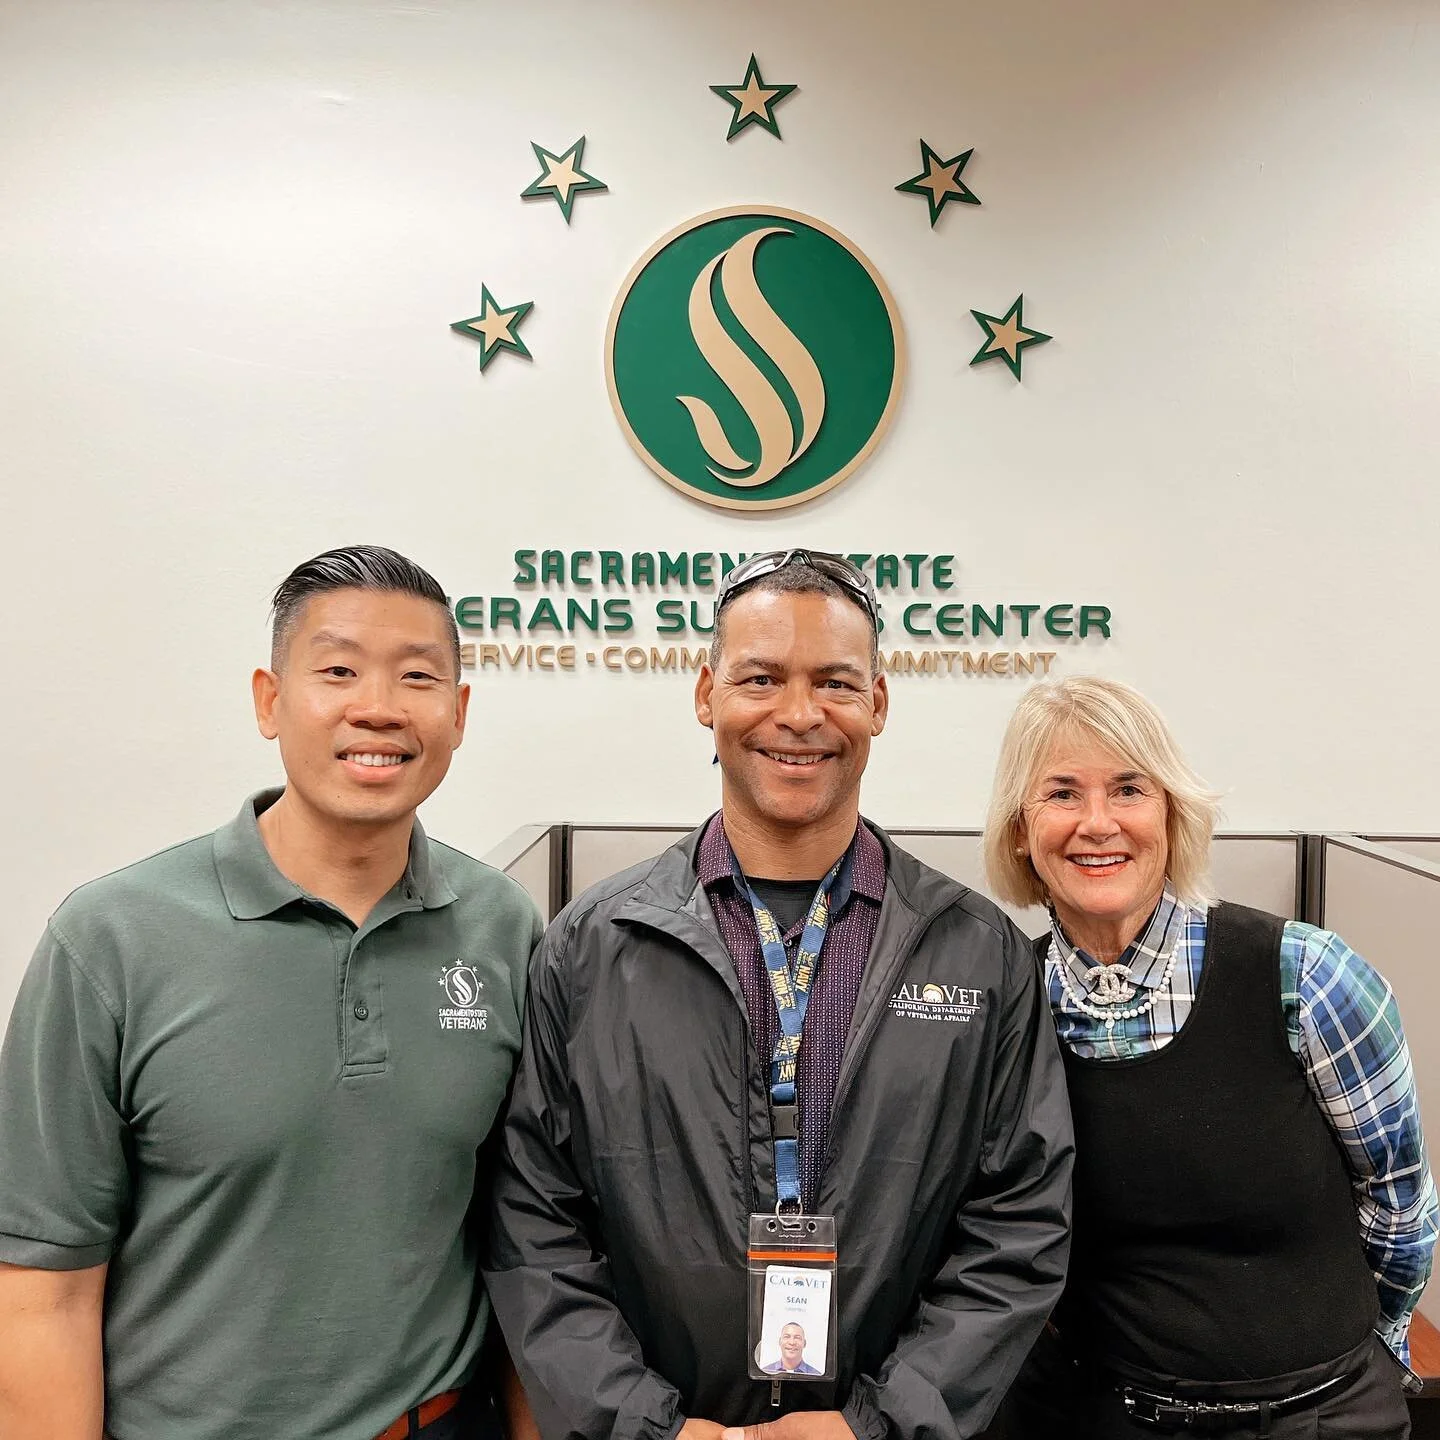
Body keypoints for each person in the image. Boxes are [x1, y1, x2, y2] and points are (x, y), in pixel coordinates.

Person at [485, 548, 1073, 1440]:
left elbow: (1019, 1227)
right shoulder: (592, 946)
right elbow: (535, 1222)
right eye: (761, 678)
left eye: (835, 683)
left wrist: (872, 1428)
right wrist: (647, 1427)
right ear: (706, 695)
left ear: (878, 702)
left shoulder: (977, 953)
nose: (799, 715)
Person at [0, 545, 543, 1440]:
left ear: (459, 712)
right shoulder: (111, 938)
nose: (378, 707)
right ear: (269, 700)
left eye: (417, 677)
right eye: (337, 670)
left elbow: (521, 1238)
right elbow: (42, 1292)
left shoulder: (504, 929)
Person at [981, 676, 1439, 1439]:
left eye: (1129, 788)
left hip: (1318, 1418)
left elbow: (1400, 1204)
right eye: (1061, 793)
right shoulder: (1007, 1004)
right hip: (1101, 1415)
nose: (1098, 823)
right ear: (1021, 830)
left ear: (1171, 813)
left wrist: (1365, 1356)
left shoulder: (1307, 977)